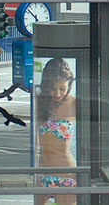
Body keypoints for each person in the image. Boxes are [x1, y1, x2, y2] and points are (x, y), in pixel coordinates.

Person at [36, 58, 77, 205]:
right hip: (42, 174)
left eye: (62, 88)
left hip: (66, 174)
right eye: (53, 88)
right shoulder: (40, 101)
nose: (58, 94)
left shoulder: (74, 103)